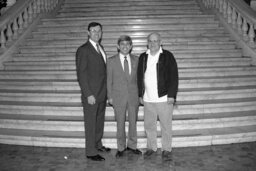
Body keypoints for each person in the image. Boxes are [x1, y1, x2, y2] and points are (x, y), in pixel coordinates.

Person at [137, 32, 178, 160]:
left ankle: (166, 149)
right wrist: (140, 94)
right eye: (150, 41)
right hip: (148, 99)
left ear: (160, 42)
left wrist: (172, 95)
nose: (153, 43)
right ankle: (151, 147)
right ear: (147, 43)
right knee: (149, 126)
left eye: (155, 41)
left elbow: (174, 76)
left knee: (166, 126)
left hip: (163, 98)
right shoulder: (143, 57)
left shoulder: (167, 56)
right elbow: (139, 77)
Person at [76, 22, 111, 161]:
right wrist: (88, 94)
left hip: (102, 93)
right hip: (91, 94)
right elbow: (81, 74)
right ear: (88, 32)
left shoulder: (100, 48)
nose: (97, 33)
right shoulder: (83, 50)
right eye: (94, 31)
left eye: (99, 31)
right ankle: (91, 152)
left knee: (99, 121)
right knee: (91, 123)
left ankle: (97, 144)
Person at [107, 35, 141, 158]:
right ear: (118, 46)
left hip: (133, 96)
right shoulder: (111, 61)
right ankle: (121, 147)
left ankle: (132, 146)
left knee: (133, 122)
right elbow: (108, 80)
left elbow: (140, 79)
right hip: (118, 97)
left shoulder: (137, 60)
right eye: (122, 44)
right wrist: (110, 96)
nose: (125, 46)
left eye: (127, 44)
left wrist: (140, 95)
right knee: (120, 123)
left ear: (131, 46)